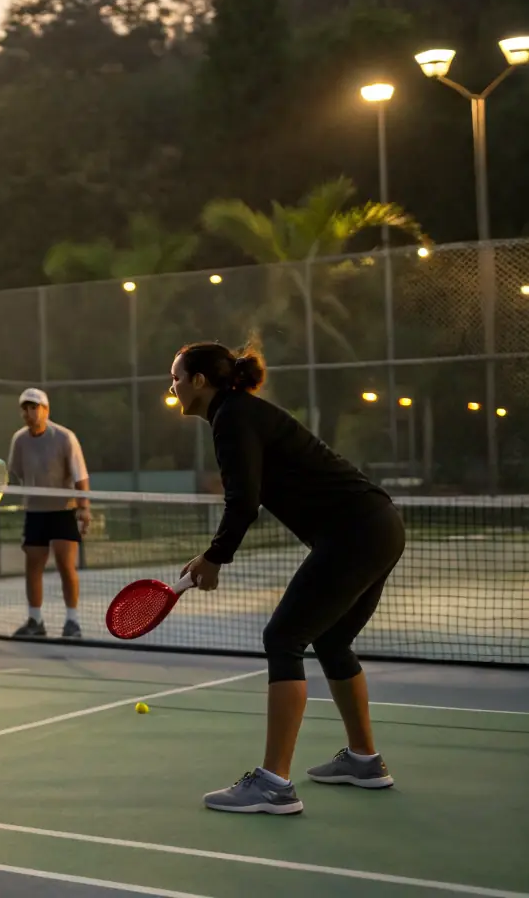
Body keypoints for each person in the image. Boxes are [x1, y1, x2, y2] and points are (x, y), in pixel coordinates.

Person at [170, 340, 405, 815]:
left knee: (283, 638)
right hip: (379, 525)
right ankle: (365, 760)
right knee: (332, 641)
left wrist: (215, 558)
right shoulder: (238, 413)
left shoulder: (232, 417)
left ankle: (273, 784)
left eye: (175, 376)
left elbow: (244, 500)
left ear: (199, 380)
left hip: (355, 531)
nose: (171, 386)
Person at [6, 388, 91, 639]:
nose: (29, 413)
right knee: (33, 566)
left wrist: (84, 508)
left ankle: (72, 622)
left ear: (45, 410)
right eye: (25, 408)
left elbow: (80, 476)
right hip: (35, 511)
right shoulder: (19, 440)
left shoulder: (65, 438)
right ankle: (35, 621)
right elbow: (17, 473)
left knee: (66, 566)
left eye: (34, 407)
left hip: (63, 510)